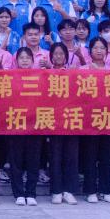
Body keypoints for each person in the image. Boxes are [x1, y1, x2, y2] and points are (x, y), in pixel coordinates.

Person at [80, 37, 110, 204]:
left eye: (102, 48)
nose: (99, 50)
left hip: (108, 117)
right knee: (90, 155)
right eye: (95, 48)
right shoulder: (82, 70)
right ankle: (90, 190)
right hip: (89, 118)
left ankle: (105, 190)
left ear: (106, 51)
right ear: (90, 51)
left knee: (106, 156)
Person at [47, 43, 79, 205]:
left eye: (61, 54)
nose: (58, 57)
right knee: (55, 156)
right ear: (51, 56)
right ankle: (56, 191)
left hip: (71, 119)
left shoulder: (73, 74)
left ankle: (69, 190)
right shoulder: (45, 74)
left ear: (66, 56)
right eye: (55, 54)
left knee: (71, 156)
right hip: (52, 120)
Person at [8, 47, 41, 206]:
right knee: (16, 161)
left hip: (35, 124)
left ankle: (31, 193)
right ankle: (19, 193)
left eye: (28, 57)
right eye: (21, 58)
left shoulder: (40, 77)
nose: (25, 60)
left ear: (33, 61)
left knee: (33, 160)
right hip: (15, 124)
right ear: (16, 61)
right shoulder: (10, 78)